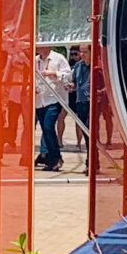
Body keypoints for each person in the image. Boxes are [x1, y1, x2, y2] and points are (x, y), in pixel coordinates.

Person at [35, 44, 72, 172]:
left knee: (48, 126)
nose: (38, 48)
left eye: (40, 46)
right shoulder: (36, 61)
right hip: (40, 100)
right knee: (45, 130)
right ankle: (52, 159)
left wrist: (54, 73)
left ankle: (56, 157)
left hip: (54, 99)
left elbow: (68, 75)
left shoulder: (58, 58)